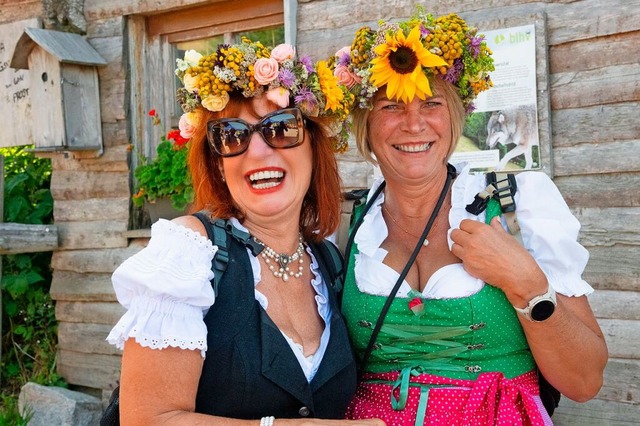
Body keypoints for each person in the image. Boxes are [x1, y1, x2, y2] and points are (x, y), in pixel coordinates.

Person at [330, 10, 608, 425]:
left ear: (455, 117)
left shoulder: (518, 205)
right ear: (366, 126)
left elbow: (584, 382)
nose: (414, 124)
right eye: (391, 106)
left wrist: (526, 283)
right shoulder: (346, 222)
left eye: (431, 103)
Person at [106, 38, 383, 425]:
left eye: (281, 129)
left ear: (314, 148)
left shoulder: (329, 262)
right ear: (219, 164)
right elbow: (149, 420)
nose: (257, 152)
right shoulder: (190, 254)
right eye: (232, 135)